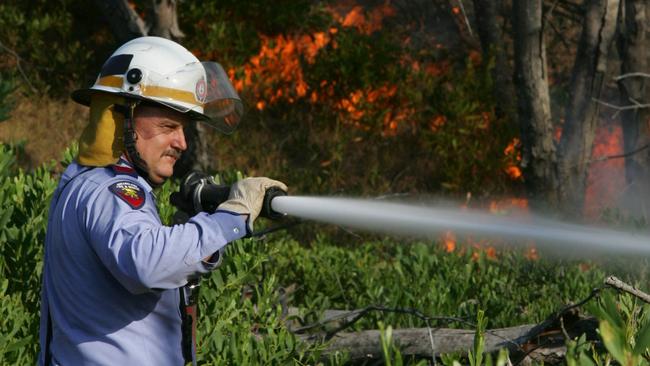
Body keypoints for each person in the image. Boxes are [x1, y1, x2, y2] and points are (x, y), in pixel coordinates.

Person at [38, 36, 287, 365]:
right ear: (120, 118)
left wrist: (188, 231)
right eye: (168, 126)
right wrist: (231, 217)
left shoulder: (84, 181)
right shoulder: (112, 189)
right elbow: (145, 262)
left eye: (183, 129)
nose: (181, 142)